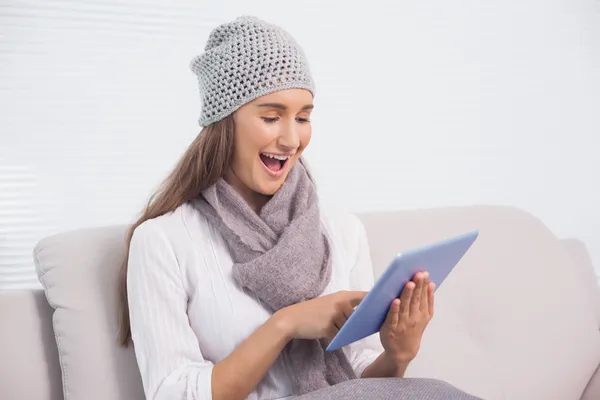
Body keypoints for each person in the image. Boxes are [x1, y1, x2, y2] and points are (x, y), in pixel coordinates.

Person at [119, 15, 481, 400]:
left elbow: (363, 380)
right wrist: (286, 325)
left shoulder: (340, 231)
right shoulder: (163, 241)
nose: (292, 138)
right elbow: (171, 393)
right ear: (225, 124)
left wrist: (398, 353)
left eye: (304, 117)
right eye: (271, 117)